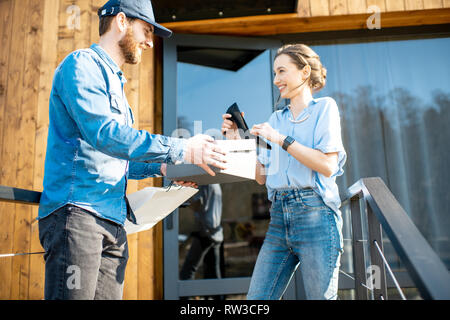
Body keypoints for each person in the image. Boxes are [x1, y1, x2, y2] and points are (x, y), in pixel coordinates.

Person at [38, 0, 227, 300]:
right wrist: (180, 149)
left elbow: (118, 157)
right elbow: (105, 135)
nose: (151, 42)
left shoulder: (118, 87)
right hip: (78, 219)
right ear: (122, 22)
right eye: (147, 31)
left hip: (113, 225)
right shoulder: (81, 66)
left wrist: (165, 168)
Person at [221, 44, 346, 300]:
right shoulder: (276, 119)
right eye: (274, 74)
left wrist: (281, 139)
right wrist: (237, 141)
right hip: (279, 217)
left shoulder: (325, 108)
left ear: (304, 72)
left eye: (282, 71)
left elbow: (327, 165)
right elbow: (262, 176)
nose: (276, 80)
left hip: (317, 217)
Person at [179, 184, 224, 300]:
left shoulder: (205, 183)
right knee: (213, 273)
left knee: (188, 270)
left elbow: (198, 204)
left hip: (205, 232)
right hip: (216, 233)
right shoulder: (216, 184)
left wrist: (182, 198)